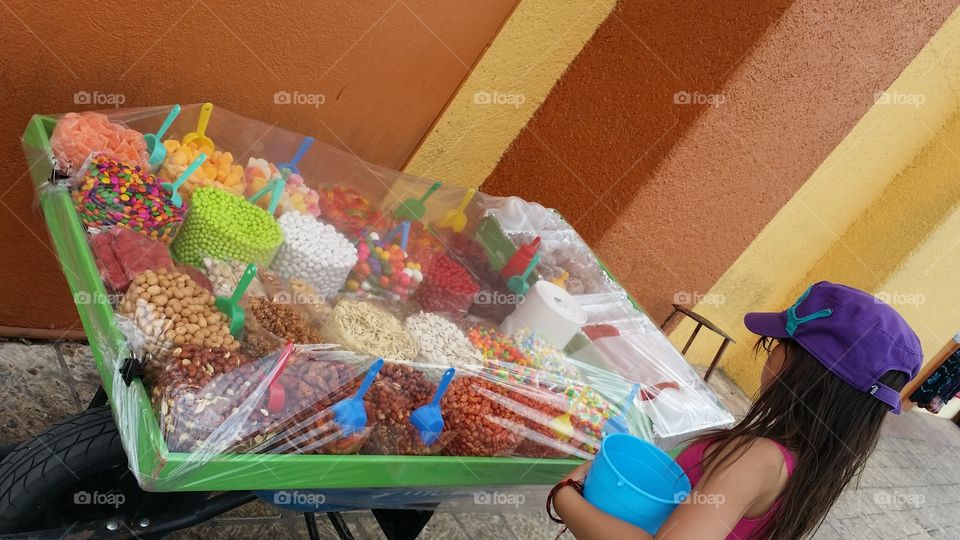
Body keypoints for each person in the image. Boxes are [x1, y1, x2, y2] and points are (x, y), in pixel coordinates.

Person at [550, 281, 922, 539]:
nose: (771, 351)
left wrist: (565, 493)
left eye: (778, 342)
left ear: (804, 368)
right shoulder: (814, 462)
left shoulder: (756, 458)